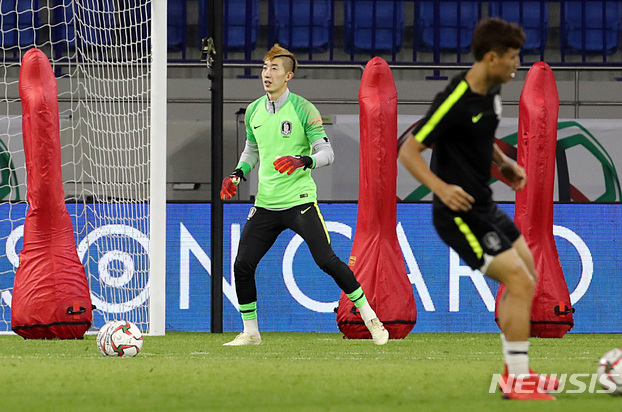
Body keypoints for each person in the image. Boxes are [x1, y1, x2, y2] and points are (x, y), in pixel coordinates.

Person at [398, 18, 559, 401]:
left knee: (528, 273)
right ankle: (518, 382)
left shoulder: (493, 90)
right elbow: (409, 149)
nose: (516, 64)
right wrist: (440, 188)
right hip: (458, 213)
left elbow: (478, 136)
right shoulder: (455, 98)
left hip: (484, 205)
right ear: (491, 57)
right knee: (518, 281)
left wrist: (502, 162)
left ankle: (514, 371)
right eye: (512, 57)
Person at [220, 44, 389, 346]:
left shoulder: (303, 109)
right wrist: (238, 173)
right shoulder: (255, 110)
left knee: (326, 260)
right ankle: (251, 332)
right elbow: (252, 150)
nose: (266, 74)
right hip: (266, 203)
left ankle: (371, 318)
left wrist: (304, 161)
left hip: (299, 200)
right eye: (264, 68)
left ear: (288, 75)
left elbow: (327, 153)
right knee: (242, 264)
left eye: (273, 69)